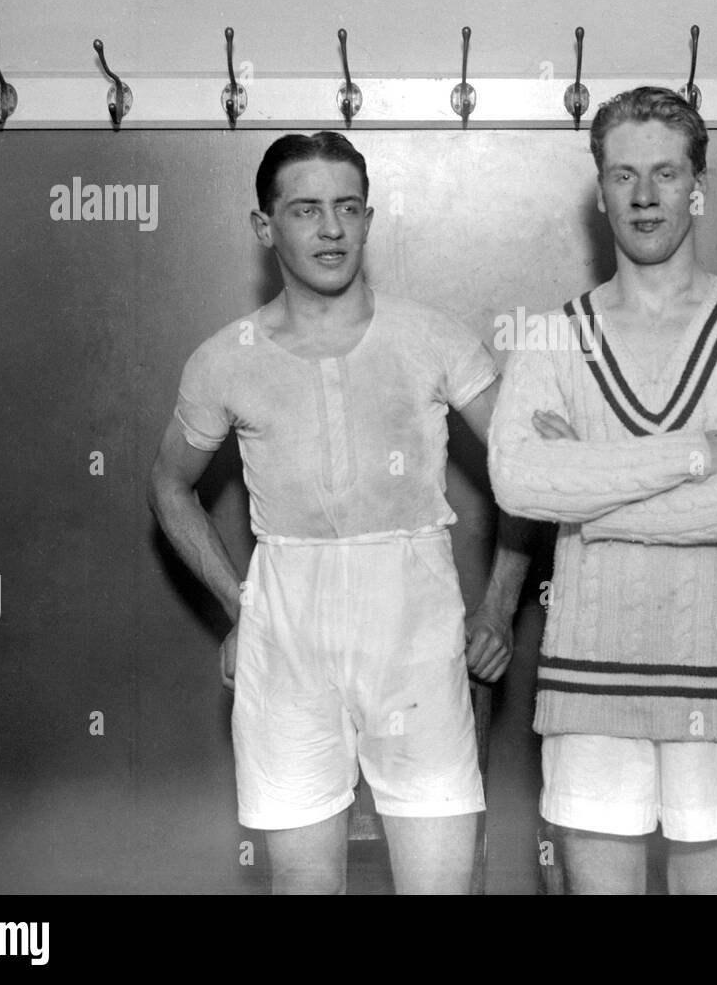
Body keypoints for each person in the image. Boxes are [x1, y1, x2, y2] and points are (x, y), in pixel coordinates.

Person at [148, 131, 526, 894]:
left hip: (414, 625)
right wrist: (241, 604)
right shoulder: (225, 357)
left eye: (347, 208)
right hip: (289, 628)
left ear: (367, 218)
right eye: (306, 209)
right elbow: (169, 483)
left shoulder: (432, 335)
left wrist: (498, 608)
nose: (330, 229)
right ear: (265, 226)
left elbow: (531, 472)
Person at [488, 87, 717, 894]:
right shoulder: (553, 336)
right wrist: (699, 452)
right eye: (623, 174)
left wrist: (593, 499)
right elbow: (519, 478)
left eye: (666, 173)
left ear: (697, 185)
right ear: (599, 192)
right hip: (589, 681)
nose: (644, 196)